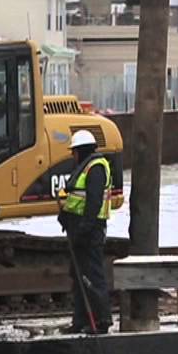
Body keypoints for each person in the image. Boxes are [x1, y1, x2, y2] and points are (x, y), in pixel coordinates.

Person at [57, 129, 113, 334]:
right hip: (78, 228)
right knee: (79, 276)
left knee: (92, 276)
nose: (72, 155)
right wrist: (65, 215)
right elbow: (78, 200)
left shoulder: (95, 168)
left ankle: (101, 321)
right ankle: (80, 320)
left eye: (74, 151)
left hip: (90, 230)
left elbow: (93, 203)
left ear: (81, 151)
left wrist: (83, 230)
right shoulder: (85, 167)